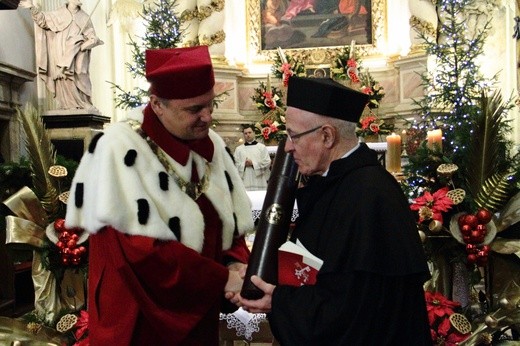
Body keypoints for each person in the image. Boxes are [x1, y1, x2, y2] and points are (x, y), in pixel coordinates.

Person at [65, 46, 254, 345]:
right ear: (157, 104)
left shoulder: (213, 146)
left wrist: (234, 262)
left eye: (210, 105)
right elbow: (142, 253)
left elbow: (229, 222)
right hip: (139, 316)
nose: (206, 117)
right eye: (194, 109)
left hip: (198, 312)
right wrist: (221, 279)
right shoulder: (118, 150)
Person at [231, 77, 432, 345]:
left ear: (327, 136)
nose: (288, 147)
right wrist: (268, 273)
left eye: (293, 136)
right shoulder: (333, 183)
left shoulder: (370, 195)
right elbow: (316, 265)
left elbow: (351, 312)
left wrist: (278, 301)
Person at [20, 0, 103, 111]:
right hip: (60, 49)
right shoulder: (58, 13)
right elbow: (42, 20)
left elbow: (91, 34)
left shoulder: (84, 17)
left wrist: (92, 40)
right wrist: (32, 7)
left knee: (79, 73)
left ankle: (83, 102)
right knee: (63, 76)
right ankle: (68, 104)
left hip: (78, 52)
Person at [234, 125, 272, 190]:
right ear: (243, 135)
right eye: (245, 133)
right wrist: (244, 164)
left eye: (249, 132)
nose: (248, 135)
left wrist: (253, 164)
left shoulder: (261, 147)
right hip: (245, 180)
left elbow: (267, 162)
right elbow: (235, 164)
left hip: (259, 180)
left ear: (254, 133)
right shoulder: (238, 149)